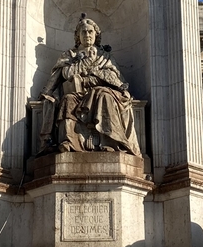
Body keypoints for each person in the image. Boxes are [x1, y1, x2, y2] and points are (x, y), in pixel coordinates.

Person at [39, 15, 140, 155]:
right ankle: (69, 142)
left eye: (90, 31)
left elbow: (114, 78)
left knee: (104, 95)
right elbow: (66, 74)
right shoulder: (69, 55)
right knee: (68, 101)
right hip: (76, 93)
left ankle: (110, 142)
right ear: (78, 36)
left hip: (103, 92)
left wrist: (88, 79)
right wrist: (84, 62)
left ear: (96, 34)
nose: (87, 35)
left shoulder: (105, 56)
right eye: (84, 32)